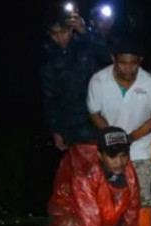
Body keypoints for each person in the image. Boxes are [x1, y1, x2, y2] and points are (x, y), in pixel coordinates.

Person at [86, 36, 151, 226]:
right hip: (110, 150)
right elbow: (93, 112)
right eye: (123, 63)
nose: (128, 69)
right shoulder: (98, 81)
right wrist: (112, 137)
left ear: (140, 61)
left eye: (133, 64)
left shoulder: (150, 83)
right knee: (106, 197)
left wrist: (131, 137)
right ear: (113, 59)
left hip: (140, 148)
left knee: (143, 196)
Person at [40, 3, 97, 150]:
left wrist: (85, 31)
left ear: (71, 29)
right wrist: (55, 130)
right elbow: (49, 98)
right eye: (54, 34)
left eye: (63, 32)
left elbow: (108, 54)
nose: (59, 38)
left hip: (95, 120)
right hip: (68, 126)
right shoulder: (47, 58)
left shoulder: (86, 45)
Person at [88, 2, 116, 69]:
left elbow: (108, 57)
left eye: (108, 19)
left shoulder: (119, 39)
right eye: (101, 20)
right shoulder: (85, 37)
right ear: (93, 22)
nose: (106, 22)